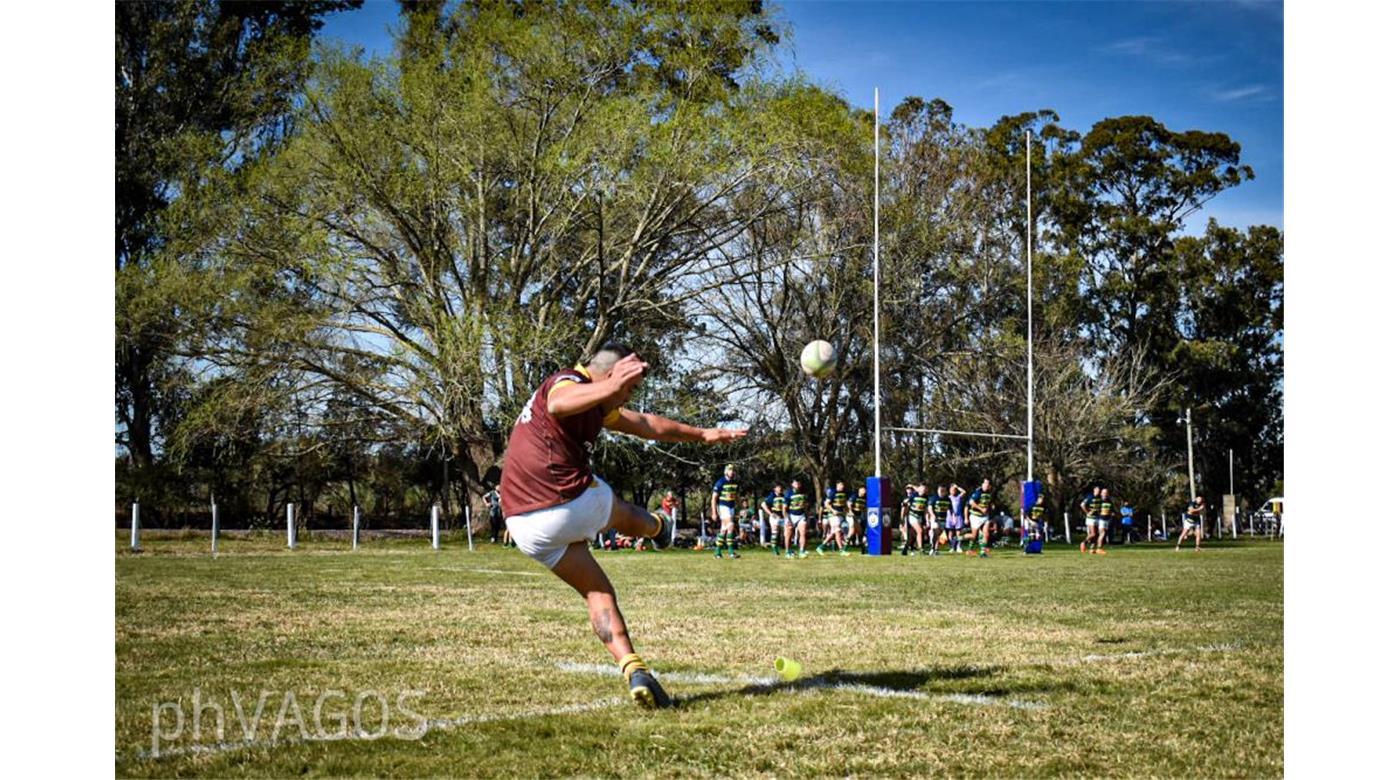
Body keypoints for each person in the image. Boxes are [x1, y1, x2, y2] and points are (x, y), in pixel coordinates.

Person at [499, 343, 747, 709]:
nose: (626, 396)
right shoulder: (565, 381)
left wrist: (702, 434)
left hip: (523, 525)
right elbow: (558, 402)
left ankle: (633, 668)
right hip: (564, 501)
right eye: (627, 388)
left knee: (597, 591)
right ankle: (657, 528)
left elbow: (645, 424)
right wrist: (614, 387)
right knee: (614, 507)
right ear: (608, 372)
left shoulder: (598, 403)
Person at [711, 463, 741, 559]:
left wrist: (740, 508)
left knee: (723, 530)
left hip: (731, 507)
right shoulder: (720, 482)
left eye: (733, 470)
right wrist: (714, 512)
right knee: (731, 525)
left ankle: (717, 552)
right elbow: (714, 498)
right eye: (730, 470)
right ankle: (731, 551)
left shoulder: (734, 482)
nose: (732, 472)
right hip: (724, 507)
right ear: (726, 471)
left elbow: (736, 496)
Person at [818, 480, 851, 556]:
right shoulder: (833, 492)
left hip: (840, 515)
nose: (842, 486)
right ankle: (841, 550)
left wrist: (847, 511)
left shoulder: (844, 493)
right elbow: (826, 504)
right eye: (840, 485)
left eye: (843, 485)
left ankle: (821, 547)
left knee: (833, 534)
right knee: (837, 531)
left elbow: (845, 503)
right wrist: (833, 510)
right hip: (832, 516)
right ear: (837, 485)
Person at [966, 479, 994, 558]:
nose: (986, 485)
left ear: (990, 486)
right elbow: (971, 502)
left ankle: (982, 553)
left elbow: (988, 503)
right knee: (973, 536)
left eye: (987, 484)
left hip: (984, 517)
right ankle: (958, 539)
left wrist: (990, 506)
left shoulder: (989, 493)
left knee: (986, 534)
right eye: (984, 483)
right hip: (975, 516)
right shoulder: (978, 492)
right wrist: (981, 509)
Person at [783, 479, 810, 558]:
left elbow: (805, 505)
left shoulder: (803, 494)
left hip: (801, 515)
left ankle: (802, 551)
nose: (797, 485)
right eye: (795, 483)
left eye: (798, 483)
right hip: (791, 516)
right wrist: (787, 519)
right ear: (792, 484)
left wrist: (807, 515)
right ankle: (788, 552)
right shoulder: (788, 494)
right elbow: (784, 508)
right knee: (788, 535)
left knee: (803, 533)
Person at [901, 484, 929, 555]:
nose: (924, 491)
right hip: (912, 516)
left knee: (912, 535)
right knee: (920, 531)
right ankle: (921, 549)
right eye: (922, 489)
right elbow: (904, 505)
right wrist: (902, 518)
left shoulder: (926, 497)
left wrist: (927, 520)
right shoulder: (914, 495)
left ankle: (906, 548)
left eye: (925, 489)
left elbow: (925, 509)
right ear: (919, 489)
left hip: (919, 517)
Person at [762, 484, 786, 556]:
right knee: (775, 532)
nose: (780, 489)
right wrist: (770, 513)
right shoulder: (772, 496)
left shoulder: (783, 496)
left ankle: (785, 547)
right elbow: (763, 504)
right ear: (775, 489)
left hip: (783, 517)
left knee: (786, 533)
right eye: (778, 488)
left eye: (781, 487)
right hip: (775, 517)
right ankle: (775, 549)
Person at [1092, 488, 1115, 555]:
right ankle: (1099, 548)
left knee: (1101, 534)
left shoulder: (1109, 501)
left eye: (1106, 493)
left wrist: (1112, 513)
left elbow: (1112, 510)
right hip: (1100, 519)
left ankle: (1094, 548)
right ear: (1101, 493)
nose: (1105, 494)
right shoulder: (1099, 501)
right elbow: (1094, 508)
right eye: (1104, 493)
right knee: (1102, 533)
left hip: (1107, 519)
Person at [1079, 486, 1102, 554]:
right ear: (1094, 490)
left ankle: (1092, 548)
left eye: (1099, 491)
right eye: (1097, 490)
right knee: (1093, 533)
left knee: (1097, 534)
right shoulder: (1090, 497)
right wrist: (1087, 512)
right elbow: (1082, 505)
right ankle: (1083, 542)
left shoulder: (1099, 498)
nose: (1098, 492)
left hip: (1097, 517)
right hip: (1090, 518)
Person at [946, 483, 967, 553]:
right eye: (952, 490)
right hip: (950, 517)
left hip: (958, 517)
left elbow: (964, 492)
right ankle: (952, 547)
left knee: (959, 533)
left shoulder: (958, 497)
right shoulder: (948, 498)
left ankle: (958, 546)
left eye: (954, 490)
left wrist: (957, 487)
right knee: (950, 533)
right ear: (949, 490)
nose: (953, 491)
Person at [848, 484, 868, 552]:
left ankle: (861, 545)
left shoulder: (865, 498)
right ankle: (847, 544)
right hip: (851, 516)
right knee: (853, 531)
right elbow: (849, 503)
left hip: (859, 516)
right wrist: (850, 511)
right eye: (863, 490)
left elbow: (864, 508)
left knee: (860, 532)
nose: (864, 492)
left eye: (865, 490)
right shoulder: (855, 496)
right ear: (860, 490)